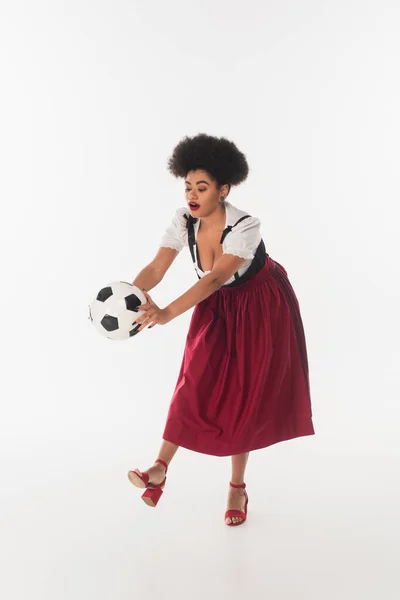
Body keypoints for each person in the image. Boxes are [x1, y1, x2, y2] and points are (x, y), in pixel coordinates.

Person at [127, 133, 315, 526]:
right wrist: (131, 293)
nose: (192, 195)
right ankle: (159, 468)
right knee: (193, 380)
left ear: (223, 189)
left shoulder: (246, 226)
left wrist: (166, 315)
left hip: (260, 305)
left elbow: (213, 281)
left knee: (243, 395)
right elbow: (158, 266)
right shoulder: (183, 219)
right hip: (214, 305)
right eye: (188, 186)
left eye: (202, 187)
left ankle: (237, 487)